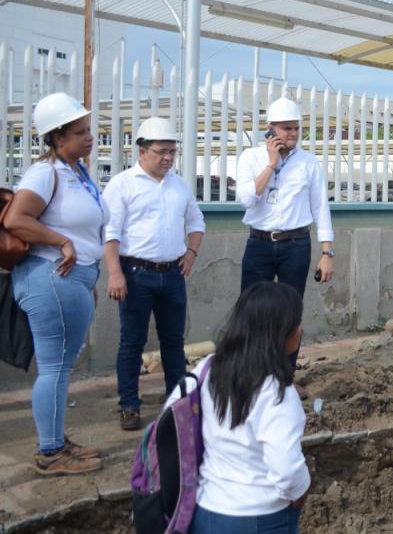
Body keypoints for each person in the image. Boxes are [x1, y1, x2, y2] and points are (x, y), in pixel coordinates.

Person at [4, 92, 107, 475]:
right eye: (80, 132)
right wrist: (62, 242)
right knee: (54, 369)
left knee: (60, 367)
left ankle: (57, 440)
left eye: (88, 129)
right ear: (57, 138)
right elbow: (16, 220)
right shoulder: (44, 173)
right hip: (51, 275)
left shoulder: (74, 171)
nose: (90, 137)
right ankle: (50, 452)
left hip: (71, 279)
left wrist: (88, 272)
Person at [167, 282, 309, 533]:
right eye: (296, 323)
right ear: (280, 332)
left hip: (205, 510)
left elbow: (171, 415)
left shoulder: (208, 368)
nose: (300, 329)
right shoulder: (278, 392)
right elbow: (286, 468)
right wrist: (300, 491)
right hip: (260, 517)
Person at [103, 117, 206, 432]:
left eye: (172, 152)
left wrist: (191, 253)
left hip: (172, 275)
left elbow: (196, 221)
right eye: (162, 151)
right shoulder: (122, 184)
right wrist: (114, 272)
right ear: (142, 150)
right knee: (132, 342)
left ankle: (177, 403)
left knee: (173, 341)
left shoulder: (179, 185)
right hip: (136, 274)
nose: (168, 158)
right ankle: (129, 405)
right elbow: (110, 231)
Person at [236, 97, 334, 389]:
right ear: (271, 130)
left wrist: (327, 252)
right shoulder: (250, 158)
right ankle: (253, 378)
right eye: (286, 129)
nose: (292, 134)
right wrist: (270, 164)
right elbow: (246, 199)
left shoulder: (308, 163)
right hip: (260, 243)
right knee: (253, 312)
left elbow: (321, 208)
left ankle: (283, 379)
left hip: (296, 245)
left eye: (296, 128)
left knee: (290, 314)